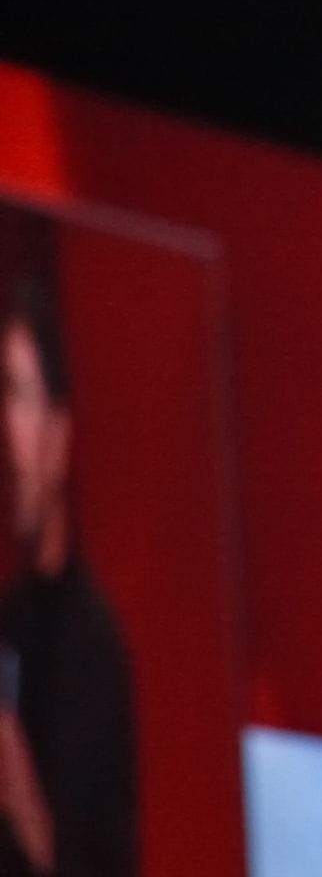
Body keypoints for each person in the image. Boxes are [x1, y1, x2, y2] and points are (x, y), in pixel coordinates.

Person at [0, 279, 137, 877]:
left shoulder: (90, 643)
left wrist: (15, 781)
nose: (6, 429)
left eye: (17, 393)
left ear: (60, 432)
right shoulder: (10, 617)